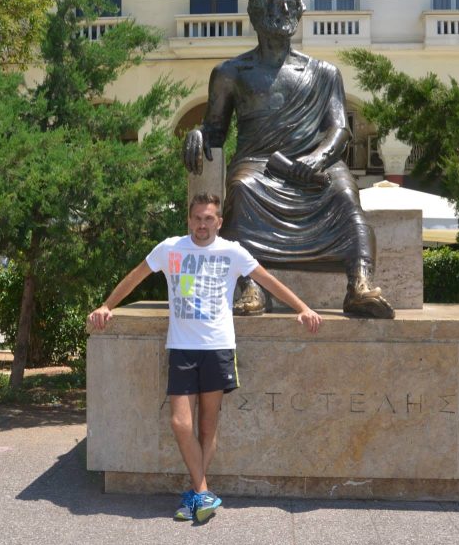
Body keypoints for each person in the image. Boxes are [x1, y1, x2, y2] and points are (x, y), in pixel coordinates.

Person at [87, 192, 322, 523]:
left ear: (218, 222)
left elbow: (267, 280)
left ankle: (196, 497)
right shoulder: (170, 249)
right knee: (180, 423)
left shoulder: (232, 252)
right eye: (197, 218)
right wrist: (106, 305)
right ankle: (203, 491)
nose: (202, 224)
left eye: (208, 218)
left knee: (207, 427)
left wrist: (303, 308)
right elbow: (135, 276)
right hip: (182, 348)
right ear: (189, 220)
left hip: (218, 348)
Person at [183, 0, 393, 319]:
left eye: (289, 5)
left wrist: (317, 158)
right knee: (241, 189)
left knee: (344, 194)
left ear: (298, 13)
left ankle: (360, 284)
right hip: (258, 165)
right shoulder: (230, 73)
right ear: (255, 16)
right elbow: (215, 131)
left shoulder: (324, 73)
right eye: (273, 4)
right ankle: (251, 286)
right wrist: (197, 135)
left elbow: (340, 129)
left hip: (315, 164)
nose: (282, 12)